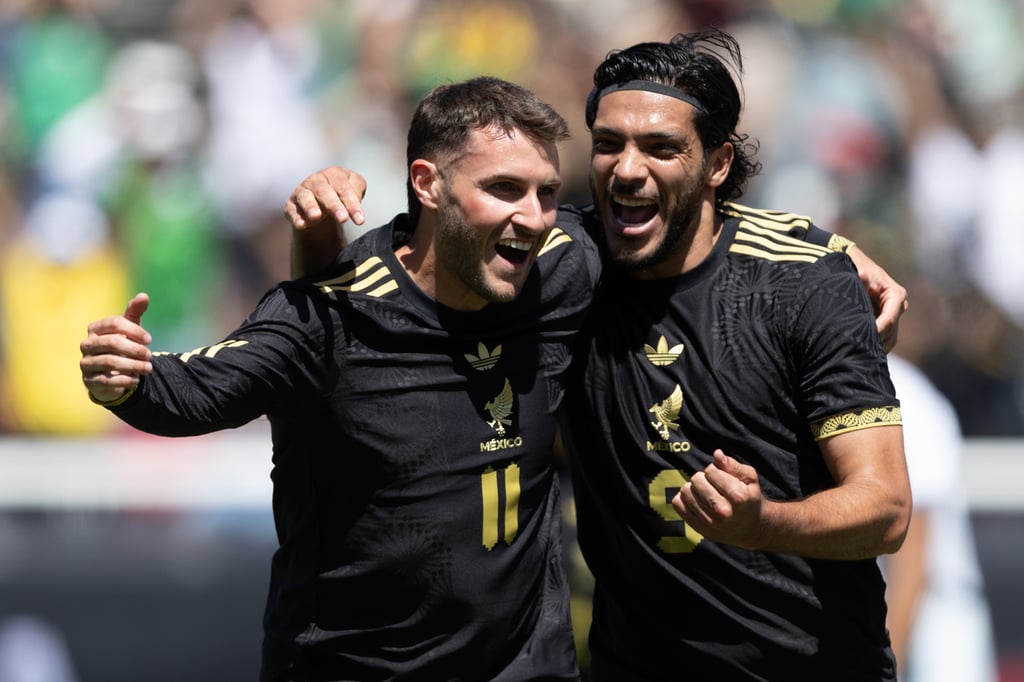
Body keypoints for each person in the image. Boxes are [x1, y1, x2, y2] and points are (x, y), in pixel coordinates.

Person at [284, 30, 911, 682]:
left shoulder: (804, 284)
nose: (629, 168)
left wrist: (764, 523)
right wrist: (320, 229)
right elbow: (365, 316)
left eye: (662, 148)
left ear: (718, 165)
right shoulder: (562, 268)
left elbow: (885, 509)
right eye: (610, 144)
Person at [80, 76, 601, 681]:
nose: (533, 217)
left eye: (546, 193)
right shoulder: (337, 315)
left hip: (522, 666)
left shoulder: (562, 268)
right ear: (427, 184)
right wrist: (124, 378)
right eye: (504, 189)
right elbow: (195, 393)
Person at [882, 353, 998, 682]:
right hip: (889, 609)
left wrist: (887, 667)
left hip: (936, 614)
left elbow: (913, 563)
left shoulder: (905, 396)